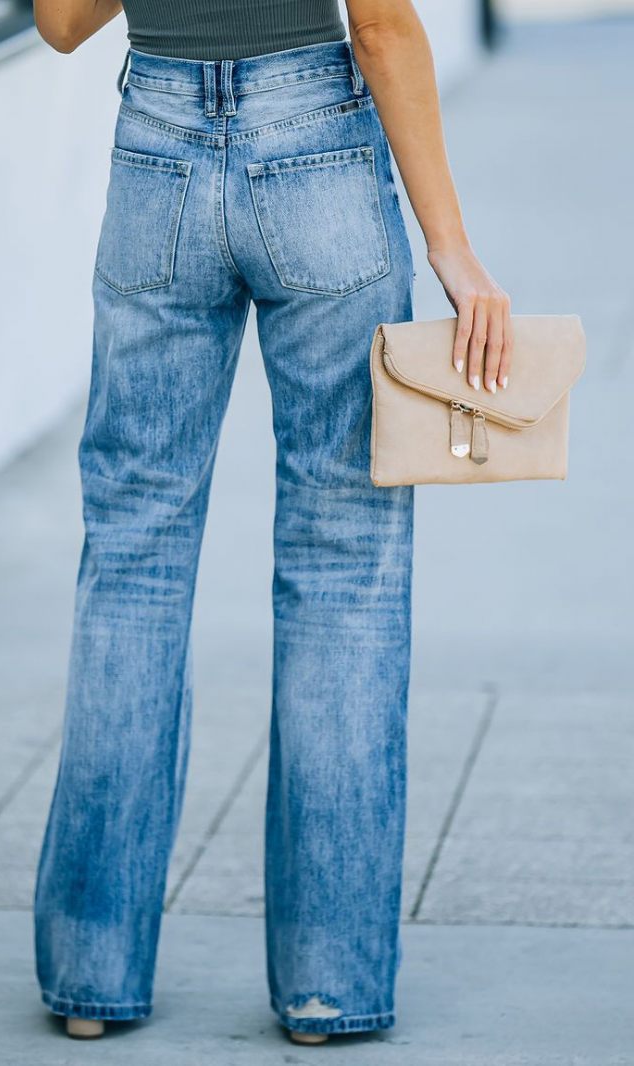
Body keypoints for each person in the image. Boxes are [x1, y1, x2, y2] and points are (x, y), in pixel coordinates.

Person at [31, 0, 513, 1047]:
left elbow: (62, 21)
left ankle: (88, 976)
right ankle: (326, 987)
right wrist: (453, 248)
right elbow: (380, 24)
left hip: (155, 143)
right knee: (343, 565)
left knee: (131, 555)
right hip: (317, 153)